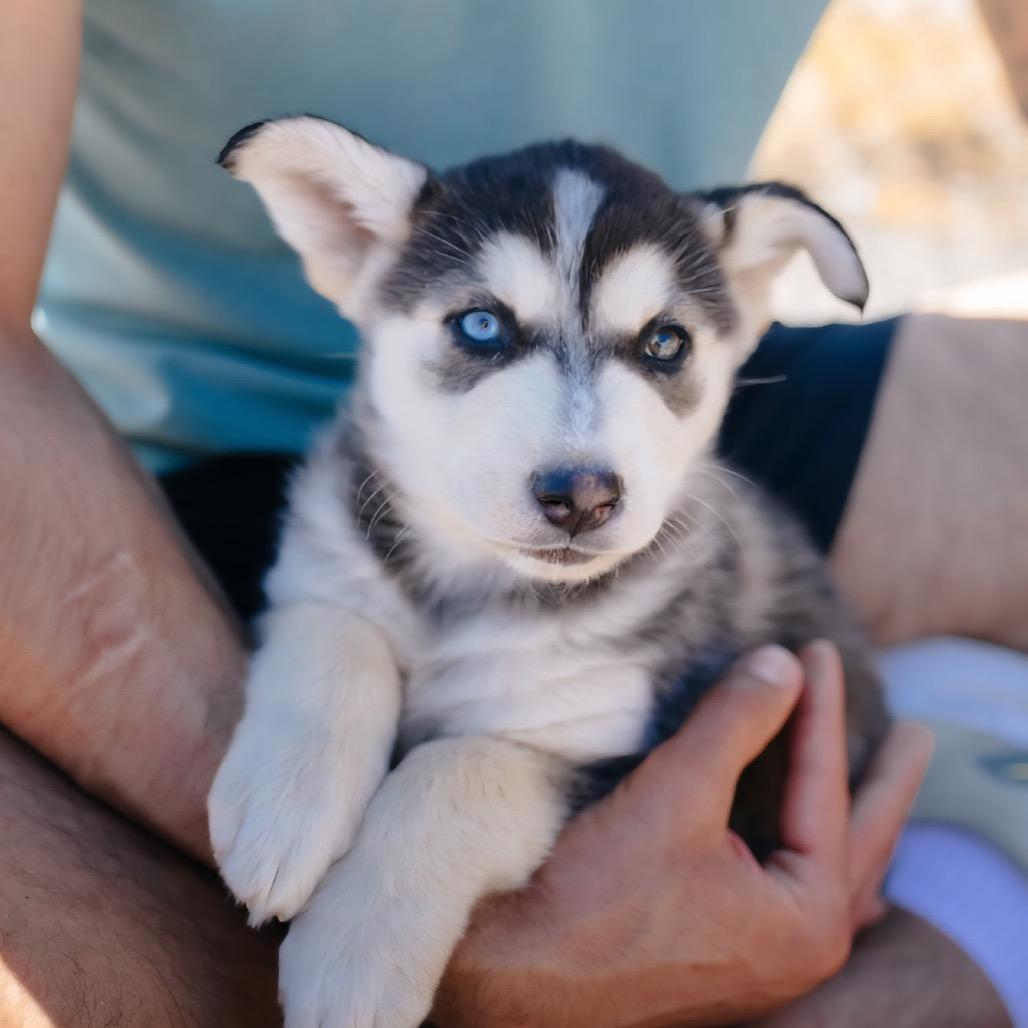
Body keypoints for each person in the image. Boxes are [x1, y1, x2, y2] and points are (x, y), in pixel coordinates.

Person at [1, 0, 1025, 1024]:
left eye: (664, 342)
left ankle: (959, 859)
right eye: (483, 327)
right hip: (176, 452)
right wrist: (313, 782)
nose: (578, 471)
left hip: (677, 450)